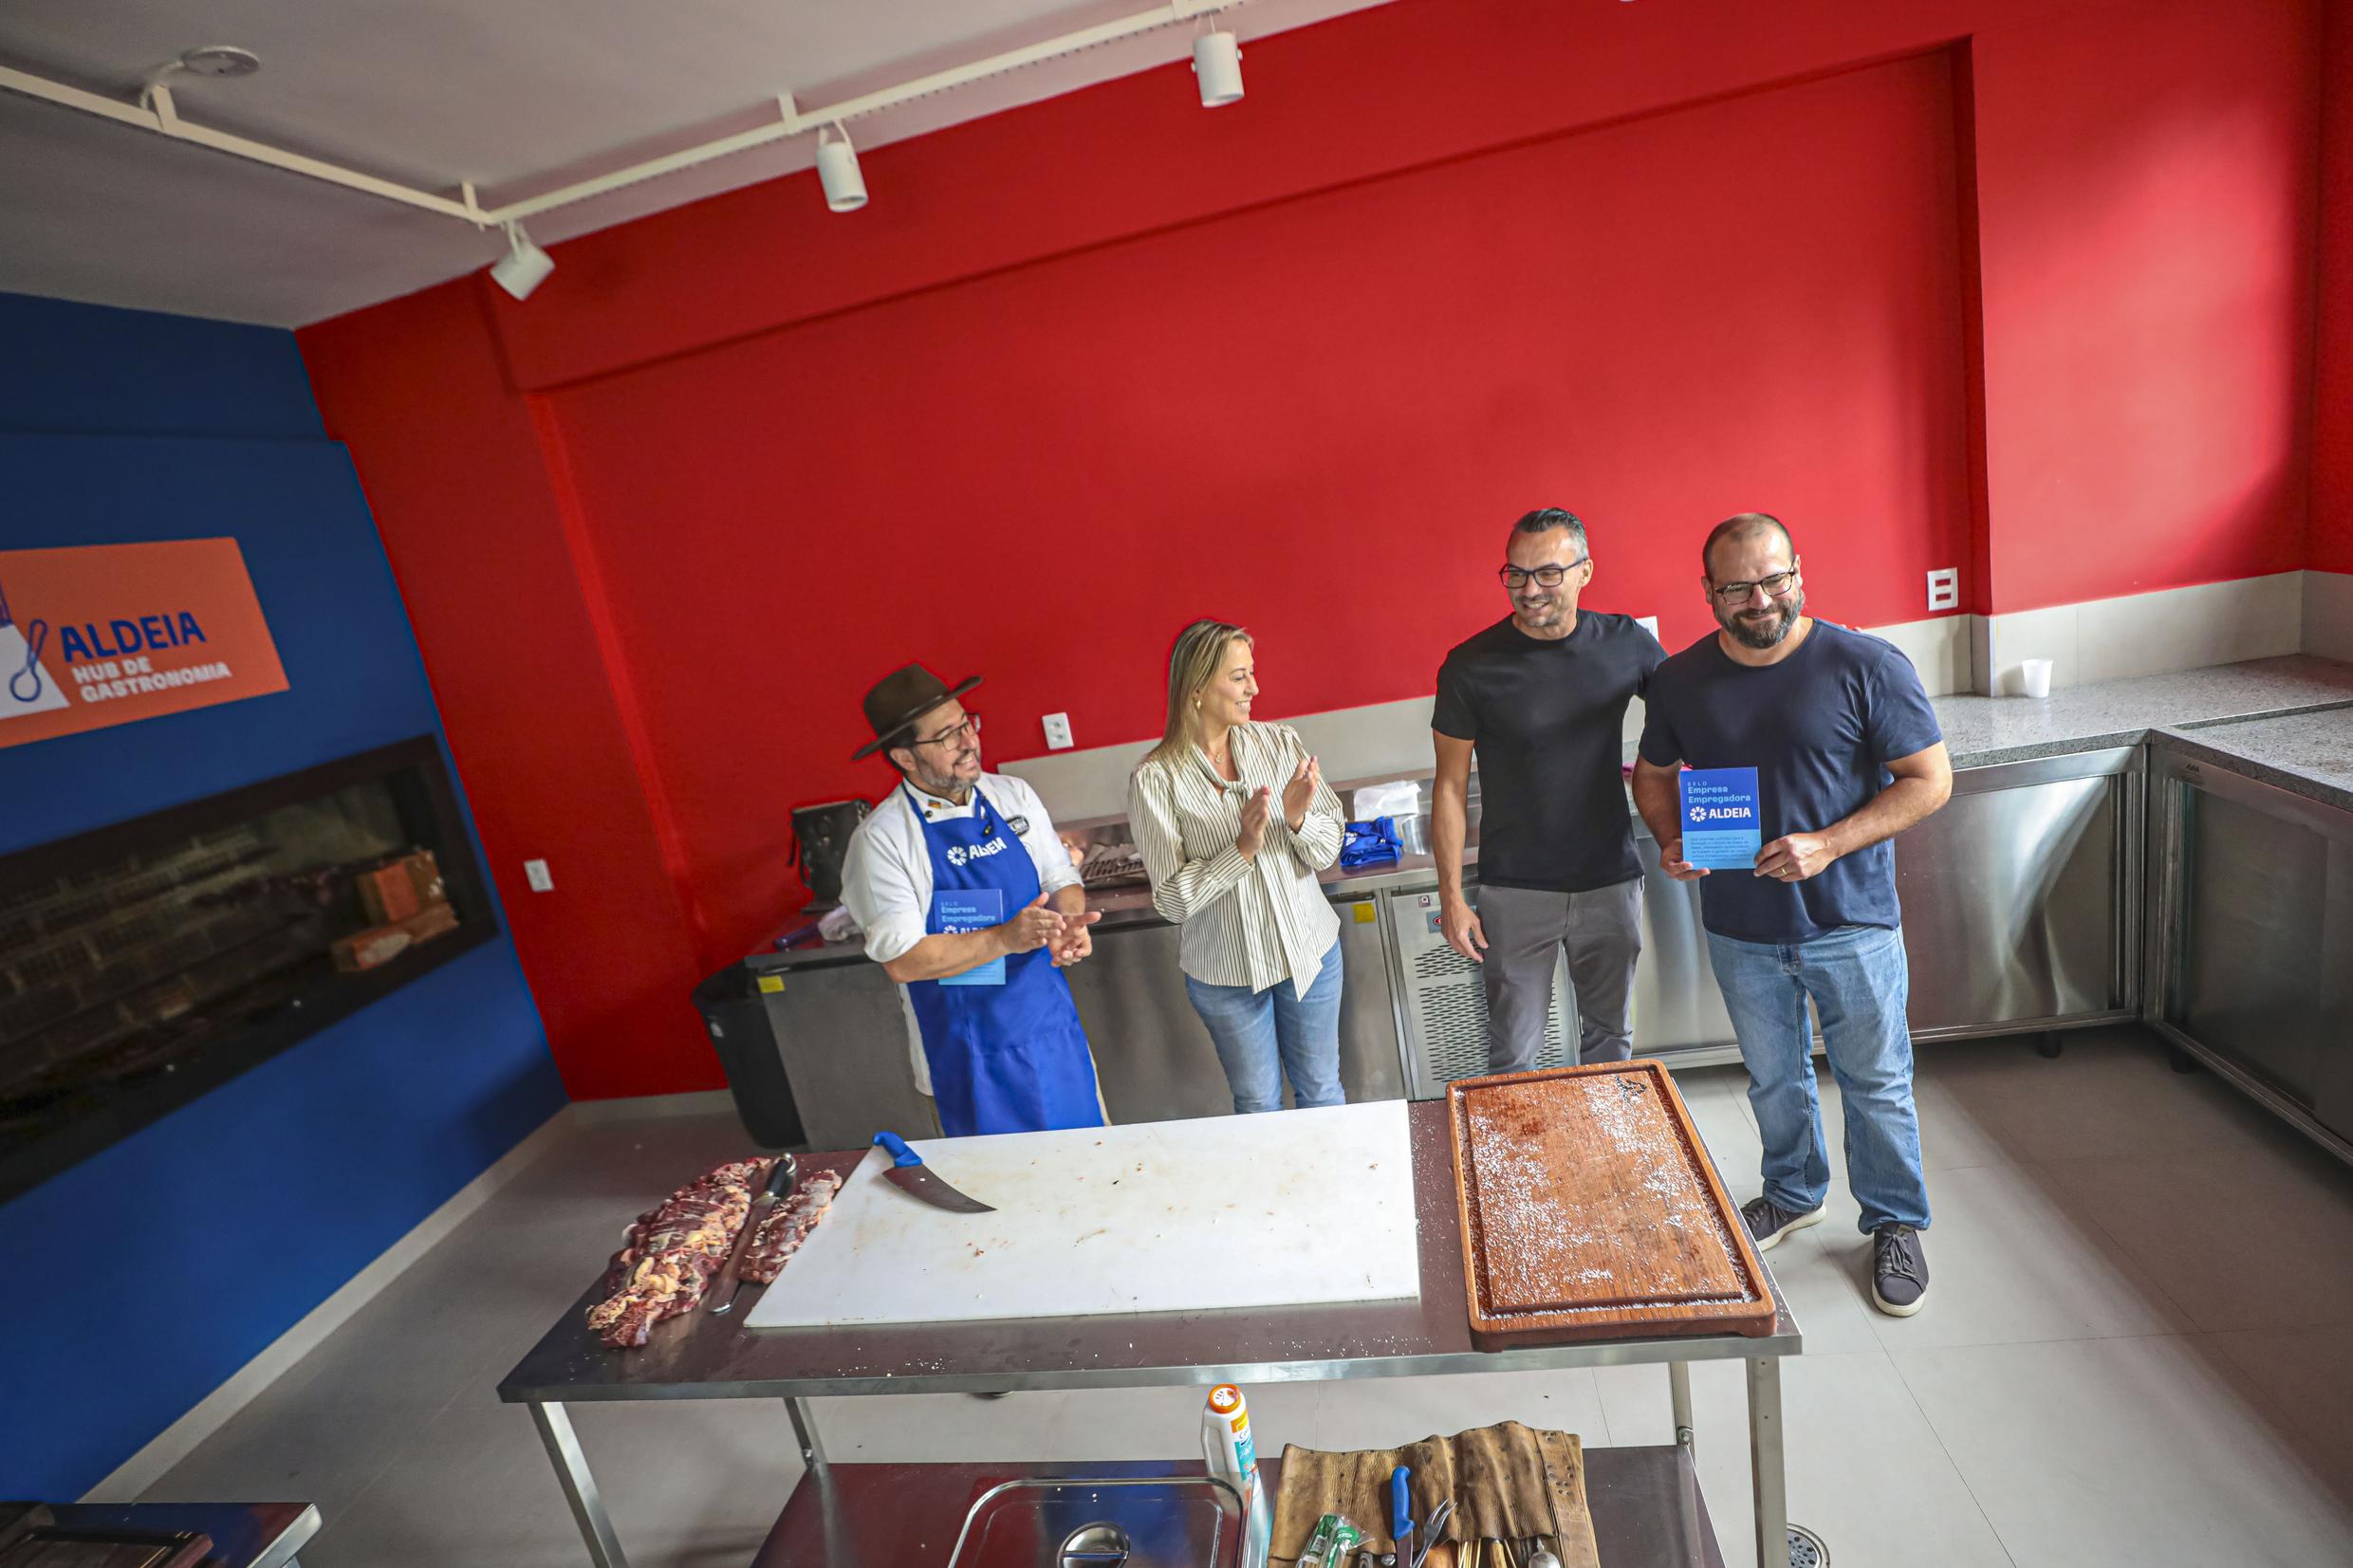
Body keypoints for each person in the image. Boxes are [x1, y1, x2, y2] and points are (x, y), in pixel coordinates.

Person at [1631, 513, 1953, 1317]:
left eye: (1774, 579)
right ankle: (1793, 1191)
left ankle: (1894, 1221)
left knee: (1876, 1082)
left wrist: (1830, 843)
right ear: (1709, 593)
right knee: (1774, 1078)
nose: (1760, 599)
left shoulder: (1865, 664)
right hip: (1740, 925)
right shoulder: (1679, 680)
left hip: (1851, 920)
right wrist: (1671, 838)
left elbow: (1930, 779)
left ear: (1799, 571)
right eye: (1738, 586)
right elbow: (1652, 774)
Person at [1431, 507, 1666, 1069]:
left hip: (1609, 880)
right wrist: (1452, 897)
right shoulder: (1470, 666)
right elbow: (1450, 786)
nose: (1530, 590)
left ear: (1585, 571)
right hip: (1516, 890)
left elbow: (1691, 720)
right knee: (1514, 1055)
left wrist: (1699, 824)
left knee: (1611, 1043)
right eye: (1516, 574)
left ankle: (1605, 1130)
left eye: (1548, 574)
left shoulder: (1626, 643)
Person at [839, 662, 1105, 1137]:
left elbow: (1059, 877)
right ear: (904, 757)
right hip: (965, 1058)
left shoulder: (1013, 796)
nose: (969, 741)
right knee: (996, 1183)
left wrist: (1068, 923)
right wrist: (1005, 938)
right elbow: (902, 960)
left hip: (1053, 1035)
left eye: (967, 723)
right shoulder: (883, 840)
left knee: (1091, 1167)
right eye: (947, 736)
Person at [1128, 620, 1349, 1115]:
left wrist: (1297, 820)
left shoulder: (1280, 743)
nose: (1255, 688)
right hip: (1225, 974)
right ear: (1197, 687)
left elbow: (1327, 849)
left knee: (1322, 1092)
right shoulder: (1155, 779)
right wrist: (1242, 849)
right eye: (1239, 676)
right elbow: (1171, 900)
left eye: (1252, 673)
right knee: (1257, 1106)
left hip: (1309, 953)